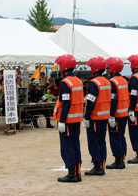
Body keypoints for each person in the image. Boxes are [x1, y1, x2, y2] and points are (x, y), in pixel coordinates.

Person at [53, 54, 84, 183]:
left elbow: (66, 103)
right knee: (75, 145)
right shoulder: (78, 80)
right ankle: (77, 173)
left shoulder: (65, 83)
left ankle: (71, 174)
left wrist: (62, 120)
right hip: (77, 119)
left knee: (67, 147)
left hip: (68, 120)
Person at [84, 57, 111, 176]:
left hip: (95, 117)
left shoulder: (94, 83)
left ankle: (97, 167)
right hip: (104, 116)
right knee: (101, 141)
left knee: (94, 142)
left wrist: (86, 116)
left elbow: (91, 101)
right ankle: (102, 164)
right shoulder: (107, 81)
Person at [105, 57, 129, 169]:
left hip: (117, 114)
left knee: (115, 137)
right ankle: (122, 157)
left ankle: (119, 160)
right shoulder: (123, 80)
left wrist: (111, 115)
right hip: (124, 113)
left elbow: (113, 100)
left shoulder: (112, 82)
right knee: (121, 136)